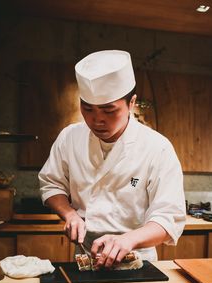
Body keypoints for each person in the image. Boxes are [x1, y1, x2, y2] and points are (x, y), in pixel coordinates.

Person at [38, 49, 186, 268]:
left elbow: (169, 217)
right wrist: (69, 214)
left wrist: (128, 240)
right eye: (87, 109)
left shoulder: (157, 148)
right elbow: (51, 184)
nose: (97, 120)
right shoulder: (70, 137)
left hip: (137, 258)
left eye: (109, 110)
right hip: (85, 255)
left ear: (132, 103)